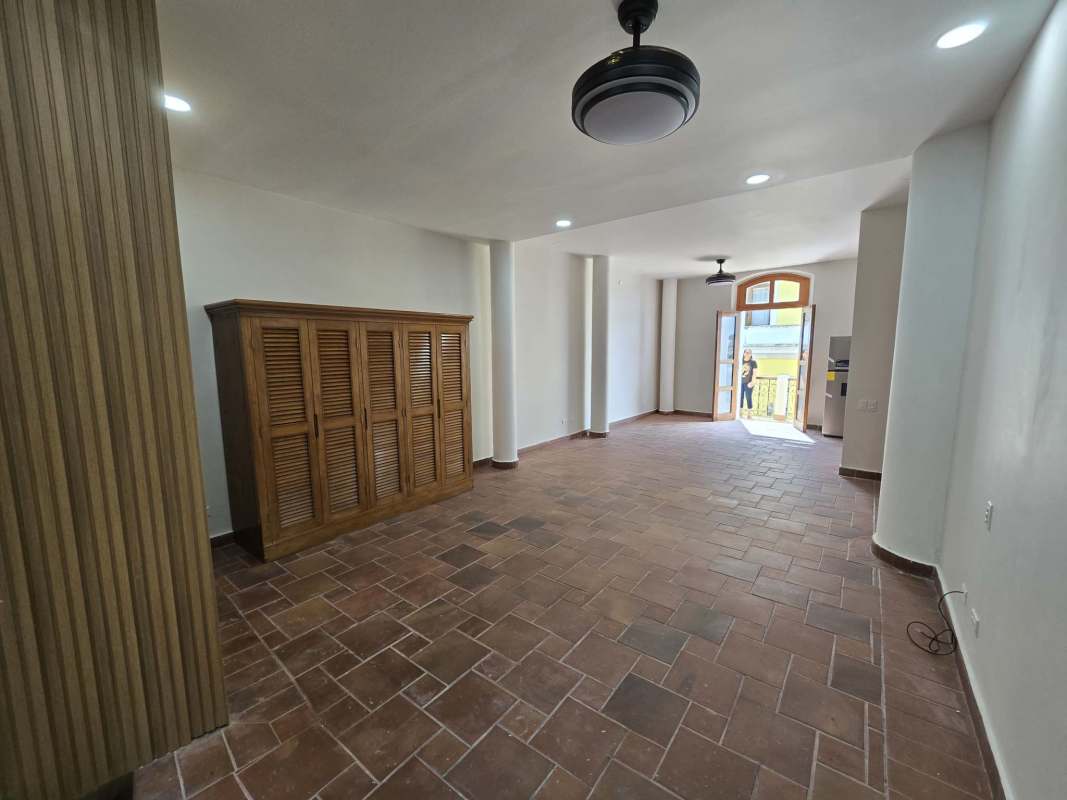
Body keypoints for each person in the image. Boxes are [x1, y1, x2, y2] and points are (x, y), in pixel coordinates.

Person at [740, 348, 757, 418]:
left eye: (749, 353)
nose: (747, 354)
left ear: (751, 354)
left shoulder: (753, 362)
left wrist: (752, 382)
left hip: (749, 383)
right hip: (740, 382)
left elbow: (755, 373)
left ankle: (749, 414)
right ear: (744, 353)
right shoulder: (740, 361)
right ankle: (740, 413)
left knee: (748, 397)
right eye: (746, 352)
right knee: (740, 397)